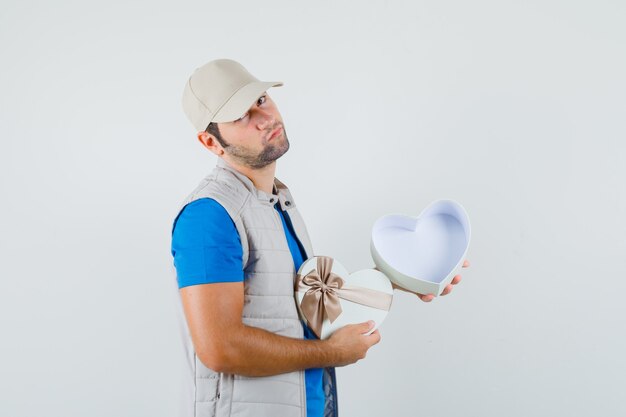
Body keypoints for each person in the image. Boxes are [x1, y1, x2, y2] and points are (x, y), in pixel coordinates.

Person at [170, 59, 469, 417]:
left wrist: (401, 277)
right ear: (210, 142)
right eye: (240, 116)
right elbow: (220, 348)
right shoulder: (209, 215)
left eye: (262, 100)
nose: (264, 117)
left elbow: (305, 309)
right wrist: (332, 353)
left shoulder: (276, 201)